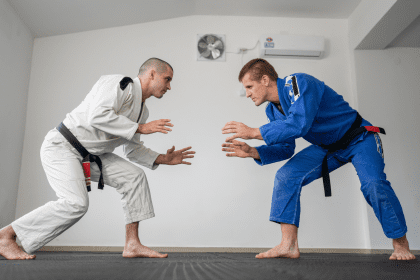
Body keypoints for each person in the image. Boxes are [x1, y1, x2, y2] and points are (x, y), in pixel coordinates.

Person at [0, 58, 195, 260]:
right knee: (76, 203)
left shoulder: (142, 112)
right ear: (152, 73)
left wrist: (162, 158)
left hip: (90, 155)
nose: (169, 86)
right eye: (167, 79)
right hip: (63, 145)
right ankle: (6, 236)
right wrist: (140, 128)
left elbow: (132, 150)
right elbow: (97, 115)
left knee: (134, 176)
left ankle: (132, 244)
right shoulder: (120, 84)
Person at [221, 58, 415, 261]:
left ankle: (400, 244)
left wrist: (253, 131)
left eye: (249, 87)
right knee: (286, 176)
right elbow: (286, 148)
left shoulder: (297, 84)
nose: (248, 94)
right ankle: (288, 245)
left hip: (359, 138)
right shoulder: (272, 110)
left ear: (265, 79)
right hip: (327, 147)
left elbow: (300, 124)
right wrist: (255, 152)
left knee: (374, 184)